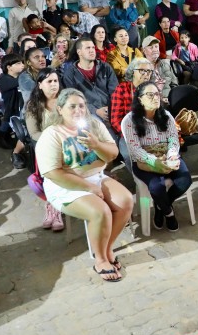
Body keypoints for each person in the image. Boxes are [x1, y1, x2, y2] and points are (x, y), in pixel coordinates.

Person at [37, 89, 133, 281]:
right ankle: (100, 260)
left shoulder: (94, 125)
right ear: (60, 109)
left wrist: (96, 145)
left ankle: (107, 249)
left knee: (126, 201)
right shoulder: (52, 134)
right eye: (72, 106)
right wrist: (88, 188)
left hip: (96, 176)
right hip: (65, 185)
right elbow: (52, 173)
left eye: (81, 106)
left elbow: (113, 153)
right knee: (101, 211)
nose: (78, 110)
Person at [124, 81, 191, 232]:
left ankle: (161, 206)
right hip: (144, 161)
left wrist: (172, 156)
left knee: (184, 180)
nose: (155, 98)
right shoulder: (129, 121)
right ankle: (169, 213)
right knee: (156, 187)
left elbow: (173, 139)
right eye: (150, 95)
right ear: (140, 99)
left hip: (167, 155)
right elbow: (135, 149)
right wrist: (154, 161)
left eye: (157, 94)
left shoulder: (166, 115)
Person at [24, 67, 63, 230]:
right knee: (52, 170)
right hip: (46, 146)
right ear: (40, 85)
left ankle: (56, 206)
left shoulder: (65, 100)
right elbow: (34, 133)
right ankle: (53, 207)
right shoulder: (33, 105)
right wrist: (53, 141)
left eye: (56, 81)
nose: (53, 84)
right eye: (49, 81)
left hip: (68, 144)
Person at [60, 37, 119, 136]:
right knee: (101, 132)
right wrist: (96, 111)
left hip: (111, 109)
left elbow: (115, 91)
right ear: (79, 52)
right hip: (88, 113)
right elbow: (74, 100)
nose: (92, 50)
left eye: (93, 47)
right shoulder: (70, 74)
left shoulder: (105, 67)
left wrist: (110, 108)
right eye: (88, 48)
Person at [0, 53, 27, 166]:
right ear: (9, 67)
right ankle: (12, 149)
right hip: (11, 110)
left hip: (16, 109)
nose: (22, 65)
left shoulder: (16, 77)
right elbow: (18, 82)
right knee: (18, 129)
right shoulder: (4, 79)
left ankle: (2, 137)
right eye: (18, 63)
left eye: (22, 62)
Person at [141, 35, 179, 102]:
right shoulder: (141, 69)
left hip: (169, 100)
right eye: (151, 47)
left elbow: (174, 85)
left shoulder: (165, 64)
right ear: (144, 51)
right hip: (151, 102)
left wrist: (172, 98)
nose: (155, 49)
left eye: (156, 46)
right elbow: (141, 91)